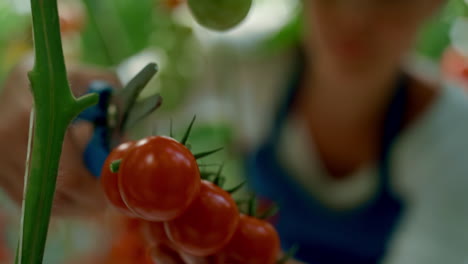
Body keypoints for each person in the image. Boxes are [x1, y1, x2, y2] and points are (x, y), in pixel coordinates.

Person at [2, 0, 468, 264]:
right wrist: (42, 92)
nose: (357, 15)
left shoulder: (457, 143)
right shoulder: (241, 66)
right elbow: (116, 92)